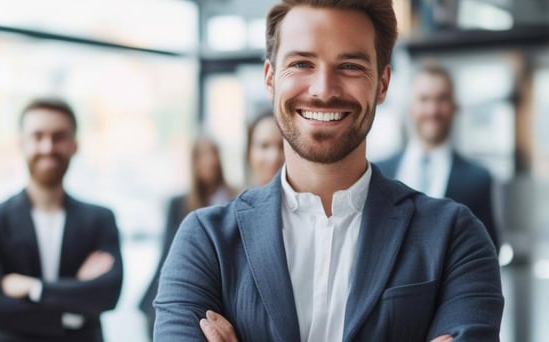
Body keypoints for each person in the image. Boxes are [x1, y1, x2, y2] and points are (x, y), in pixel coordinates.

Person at [153, 1, 504, 341]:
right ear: (270, 78)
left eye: (350, 66)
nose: (323, 90)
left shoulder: (455, 237)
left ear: (382, 84)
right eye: (302, 63)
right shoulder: (205, 241)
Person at [0, 98, 123, 342]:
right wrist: (73, 312)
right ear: (21, 143)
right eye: (37, 136)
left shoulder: (100, 219)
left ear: (74, 145)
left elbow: (107, 294)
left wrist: (33, 288)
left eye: (59, 137)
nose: (48, 147)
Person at [376, 62, 501, 252]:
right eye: (424, 99)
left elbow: (488, 251)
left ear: (455, 106)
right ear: (410, 106)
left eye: (442, 99)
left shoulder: (478, 179)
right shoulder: (379, 173)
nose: (432, 110)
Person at [138, 135, 236, 340]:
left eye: (213, 153)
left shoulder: (235, 198)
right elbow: (168, 252)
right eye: (202, 155)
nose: (209, 161)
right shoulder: (179, 203)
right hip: (189, 281)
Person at [246, 111, 285, 186]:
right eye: (264, 146)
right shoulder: (236, 197)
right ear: (249, 153)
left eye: (282, 146)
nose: (274, 157)